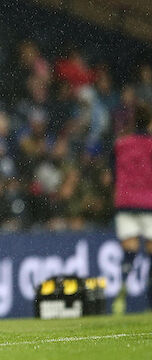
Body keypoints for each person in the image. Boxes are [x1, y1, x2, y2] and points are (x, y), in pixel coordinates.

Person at [111, 104, 152, 315]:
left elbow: (112, 172)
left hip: (125, 202)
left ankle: (121, 294)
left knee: (129, 253)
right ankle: (150, 303)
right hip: (149, 203)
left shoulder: (121, 144)